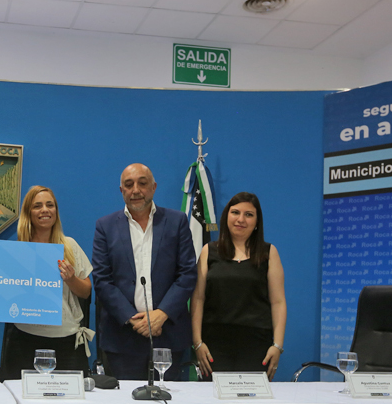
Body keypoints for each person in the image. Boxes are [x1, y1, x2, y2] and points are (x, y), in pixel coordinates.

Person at [91, 163, 197, 381]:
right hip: (122, 338)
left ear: (154, 187)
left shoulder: (176, 222)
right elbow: (102, 280)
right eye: (128, 185)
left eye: (142, 183)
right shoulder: (105, 226)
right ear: (121, 191)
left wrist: (161, 314)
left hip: (168, 335)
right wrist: (133, 319)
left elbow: (187, 274)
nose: (136, 190)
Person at [190, 192, 287, 381]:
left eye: (249, 214)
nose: (241, 219)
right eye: (235, 212)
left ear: (257, 221)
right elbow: (198, 298)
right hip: (213, 346)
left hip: (257, 346)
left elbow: (278, 302)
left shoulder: (269, 253)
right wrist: (197, 342)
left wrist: (277, 345)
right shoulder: (209, 251)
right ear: (227, 216)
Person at [2, 186, 94, 379]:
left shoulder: (70, 245)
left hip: (67, 341)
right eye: (37, 206)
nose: (45, 210)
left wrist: (71, 279)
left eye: (50, 205)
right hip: (25, 339)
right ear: (28, 212)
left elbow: (86, 292)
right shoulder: (17, 251)